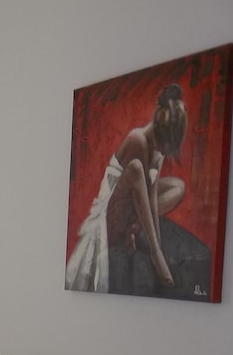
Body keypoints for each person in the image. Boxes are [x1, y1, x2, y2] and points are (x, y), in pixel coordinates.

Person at [66, 84, 188, 292]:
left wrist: (157, 243)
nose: (165, 150)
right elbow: (141, 191)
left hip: (134, 209)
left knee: (178, 186)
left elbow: (150, 198)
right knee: (136, 168)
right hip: (111, 217)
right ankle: (133, 234)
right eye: (166, 144)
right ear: (158, 129)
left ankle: (135, 230)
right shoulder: (137, 140)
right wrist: (156, 253)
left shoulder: (158, 152)